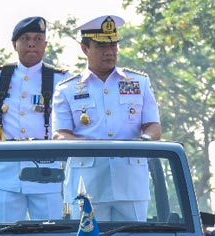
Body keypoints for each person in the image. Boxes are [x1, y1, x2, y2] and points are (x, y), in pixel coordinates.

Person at [0, 16, 69, 221]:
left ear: (45, 44)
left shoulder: (60, 79)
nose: (31, 44)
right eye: (25, 38)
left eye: (38, 38)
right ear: (14, 44)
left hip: (46, 174)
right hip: (4, 174)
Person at [53, 15, 161, 221]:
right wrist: (92, 146)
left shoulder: (139, 82)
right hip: (87, 186)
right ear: (85, 49)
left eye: (113, 45)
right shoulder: (66, 89)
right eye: (102, 46)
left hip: (130, 184)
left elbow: (153, 126)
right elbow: (60, 135)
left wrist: (143, 141)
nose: (110, 52)